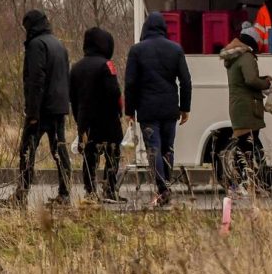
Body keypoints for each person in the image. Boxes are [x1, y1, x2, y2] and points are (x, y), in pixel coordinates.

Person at [0, 10, 71, 208]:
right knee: (59, 151)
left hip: (42, 109)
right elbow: (64, 77)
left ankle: (22, 194)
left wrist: (32, 113)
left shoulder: (36, 45)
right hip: (58, 107)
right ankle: (65, 194)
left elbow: (36, 80)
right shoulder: (58, 44)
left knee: (27, 151)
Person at [125, 12, 192, 207]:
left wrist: (130, 110)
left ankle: (162, 190)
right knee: (167, 149)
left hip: (147, 109)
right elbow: (186, 81)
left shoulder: (137, 51)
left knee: (153, 150)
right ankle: (165, 186)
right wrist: (185, 107)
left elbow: (130, 83)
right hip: (170, 108)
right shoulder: (175, 49)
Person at [70, 27, 126, 204]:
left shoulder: (76, 68)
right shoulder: (106, 65)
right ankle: (109, 189)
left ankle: (90, 191)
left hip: (85, 120)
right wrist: (120, 112)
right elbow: (114, 92)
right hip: (108, 119)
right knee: (112, 154)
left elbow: (72, 98)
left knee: (89, 156)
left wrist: (79, 120)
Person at [219, 23, 272, 194]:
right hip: (247, 107)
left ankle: (243, 183)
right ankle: (246, 183)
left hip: (239, 107)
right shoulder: (246, 56)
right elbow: (250, 80)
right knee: (249, 147)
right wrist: (266, 83)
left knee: (245, 146)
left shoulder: (235, 57)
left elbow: (245, 79)